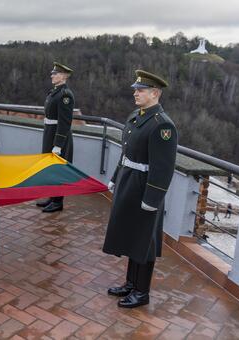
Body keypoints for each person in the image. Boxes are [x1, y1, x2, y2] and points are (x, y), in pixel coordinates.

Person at [103, 70, 177, 308]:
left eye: (141, 90)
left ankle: (142, 292)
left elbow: (163, 168)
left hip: (145, 187)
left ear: (155, 93)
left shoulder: (162, 125)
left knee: (144, 241)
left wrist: (152, 198)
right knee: (131, 235)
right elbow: (126, 152)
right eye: (136, 89)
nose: (135, 93)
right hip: (129, 181)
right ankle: (130, 284)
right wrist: (116, 177)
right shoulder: (137, 116)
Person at [36, 62, 75, 213]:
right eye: (52, 73)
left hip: (59, 137)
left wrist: (58, 144)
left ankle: (58, 201)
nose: (52, 75)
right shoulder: (55, 91)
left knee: (58, 169)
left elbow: (65, 122)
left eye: (56, 73)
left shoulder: (65, 95)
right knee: (50, 168)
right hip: (49, 133)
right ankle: (52, 197)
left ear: (64, 76)